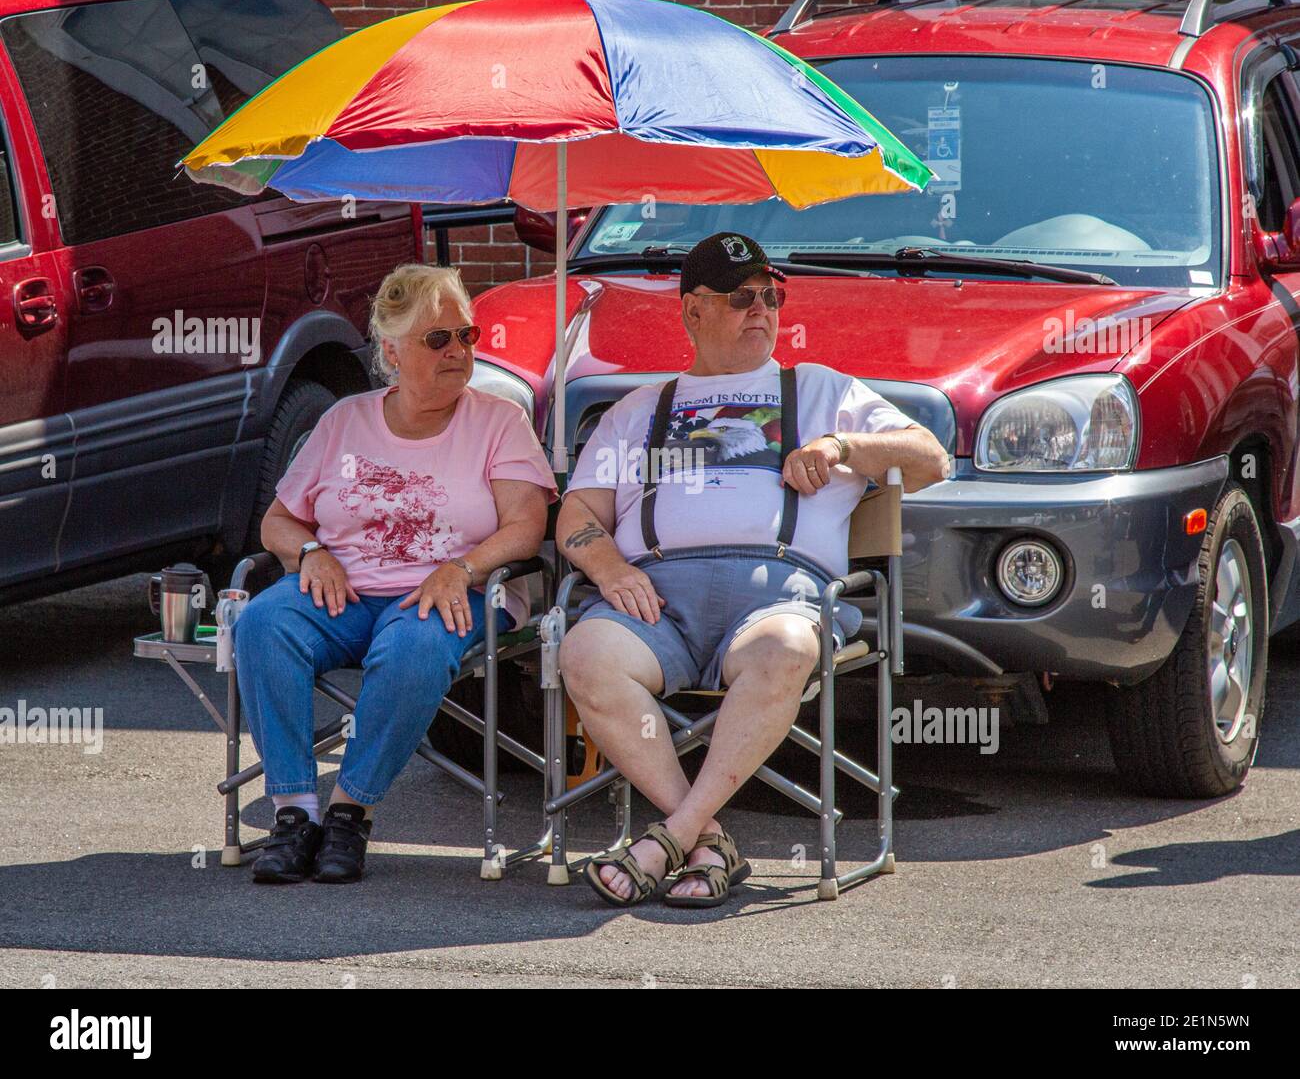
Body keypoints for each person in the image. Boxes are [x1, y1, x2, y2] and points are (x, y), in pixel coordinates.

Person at [557, 232, 949, 908]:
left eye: (771, 295)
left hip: (779, 599)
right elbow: (577, 515)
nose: (761, 309)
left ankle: (671, 837)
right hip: (656, 603)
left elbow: (931, 459)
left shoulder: (822, 390)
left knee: (789, 647)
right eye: (742, 297)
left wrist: (842, 444)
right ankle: (704, 840)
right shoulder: (637, 410)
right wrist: (609, 564)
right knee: (583, 653)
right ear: (693, 312)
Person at [234, 264, 556, 884]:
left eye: (467, 335)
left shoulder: (498, 421)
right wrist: (310, 554)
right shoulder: (344, 420)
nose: (459, 351)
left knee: (411, 647)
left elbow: (526, 526)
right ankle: (296, 814)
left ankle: (350, 812)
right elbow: (277, 522)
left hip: (455, 593)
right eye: (438, 340)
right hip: (344, 590)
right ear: (391, 349)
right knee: (263, 624)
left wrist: (460, 569)